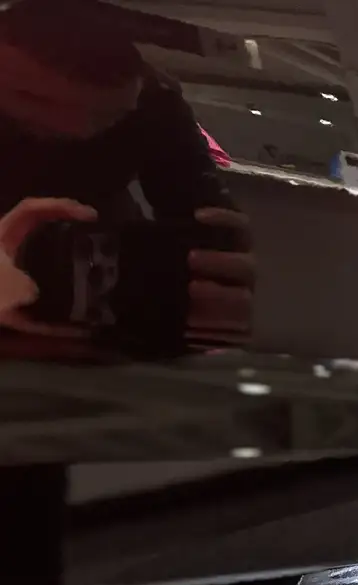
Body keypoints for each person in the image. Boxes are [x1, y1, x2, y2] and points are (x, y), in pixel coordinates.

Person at [0, 0, 254, 354]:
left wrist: (214, 261)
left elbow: (201, 208)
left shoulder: (156, 106)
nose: (78, 127)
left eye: (102, 119)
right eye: (36, 103)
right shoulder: (151, 105)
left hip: (101, 286)